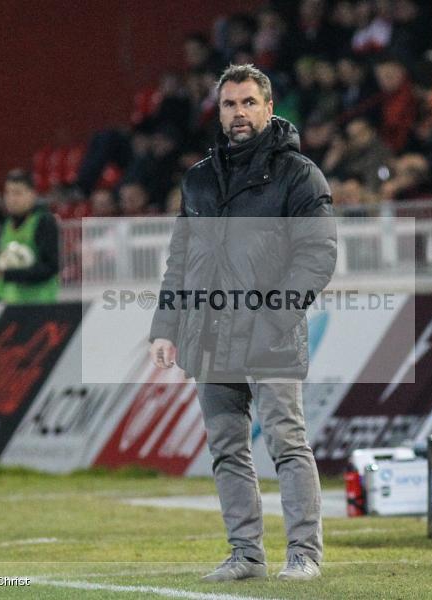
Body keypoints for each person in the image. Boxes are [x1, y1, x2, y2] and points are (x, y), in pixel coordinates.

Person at [148, 64, 336, 582]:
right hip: (209, 331)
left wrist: (273, 318)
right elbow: (180, 262)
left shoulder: (300, 175)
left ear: (269, 107)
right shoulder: (199, 179)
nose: (239, 113)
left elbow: (317, 258)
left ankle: (304, 554)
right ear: (219, 110)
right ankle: (246, 555)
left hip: (271, 332)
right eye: (229, 104)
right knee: (226, 447)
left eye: (249, 103)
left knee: (285, 440)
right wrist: (165, 326)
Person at [0, 169, 60, 304]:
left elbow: (50, 267)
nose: (11, 199)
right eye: (8, 193)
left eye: (17, 193)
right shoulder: (5, 224)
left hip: (39, 303)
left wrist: (12, 275)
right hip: (9, 302)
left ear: (32, 194)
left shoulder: (44, 221)